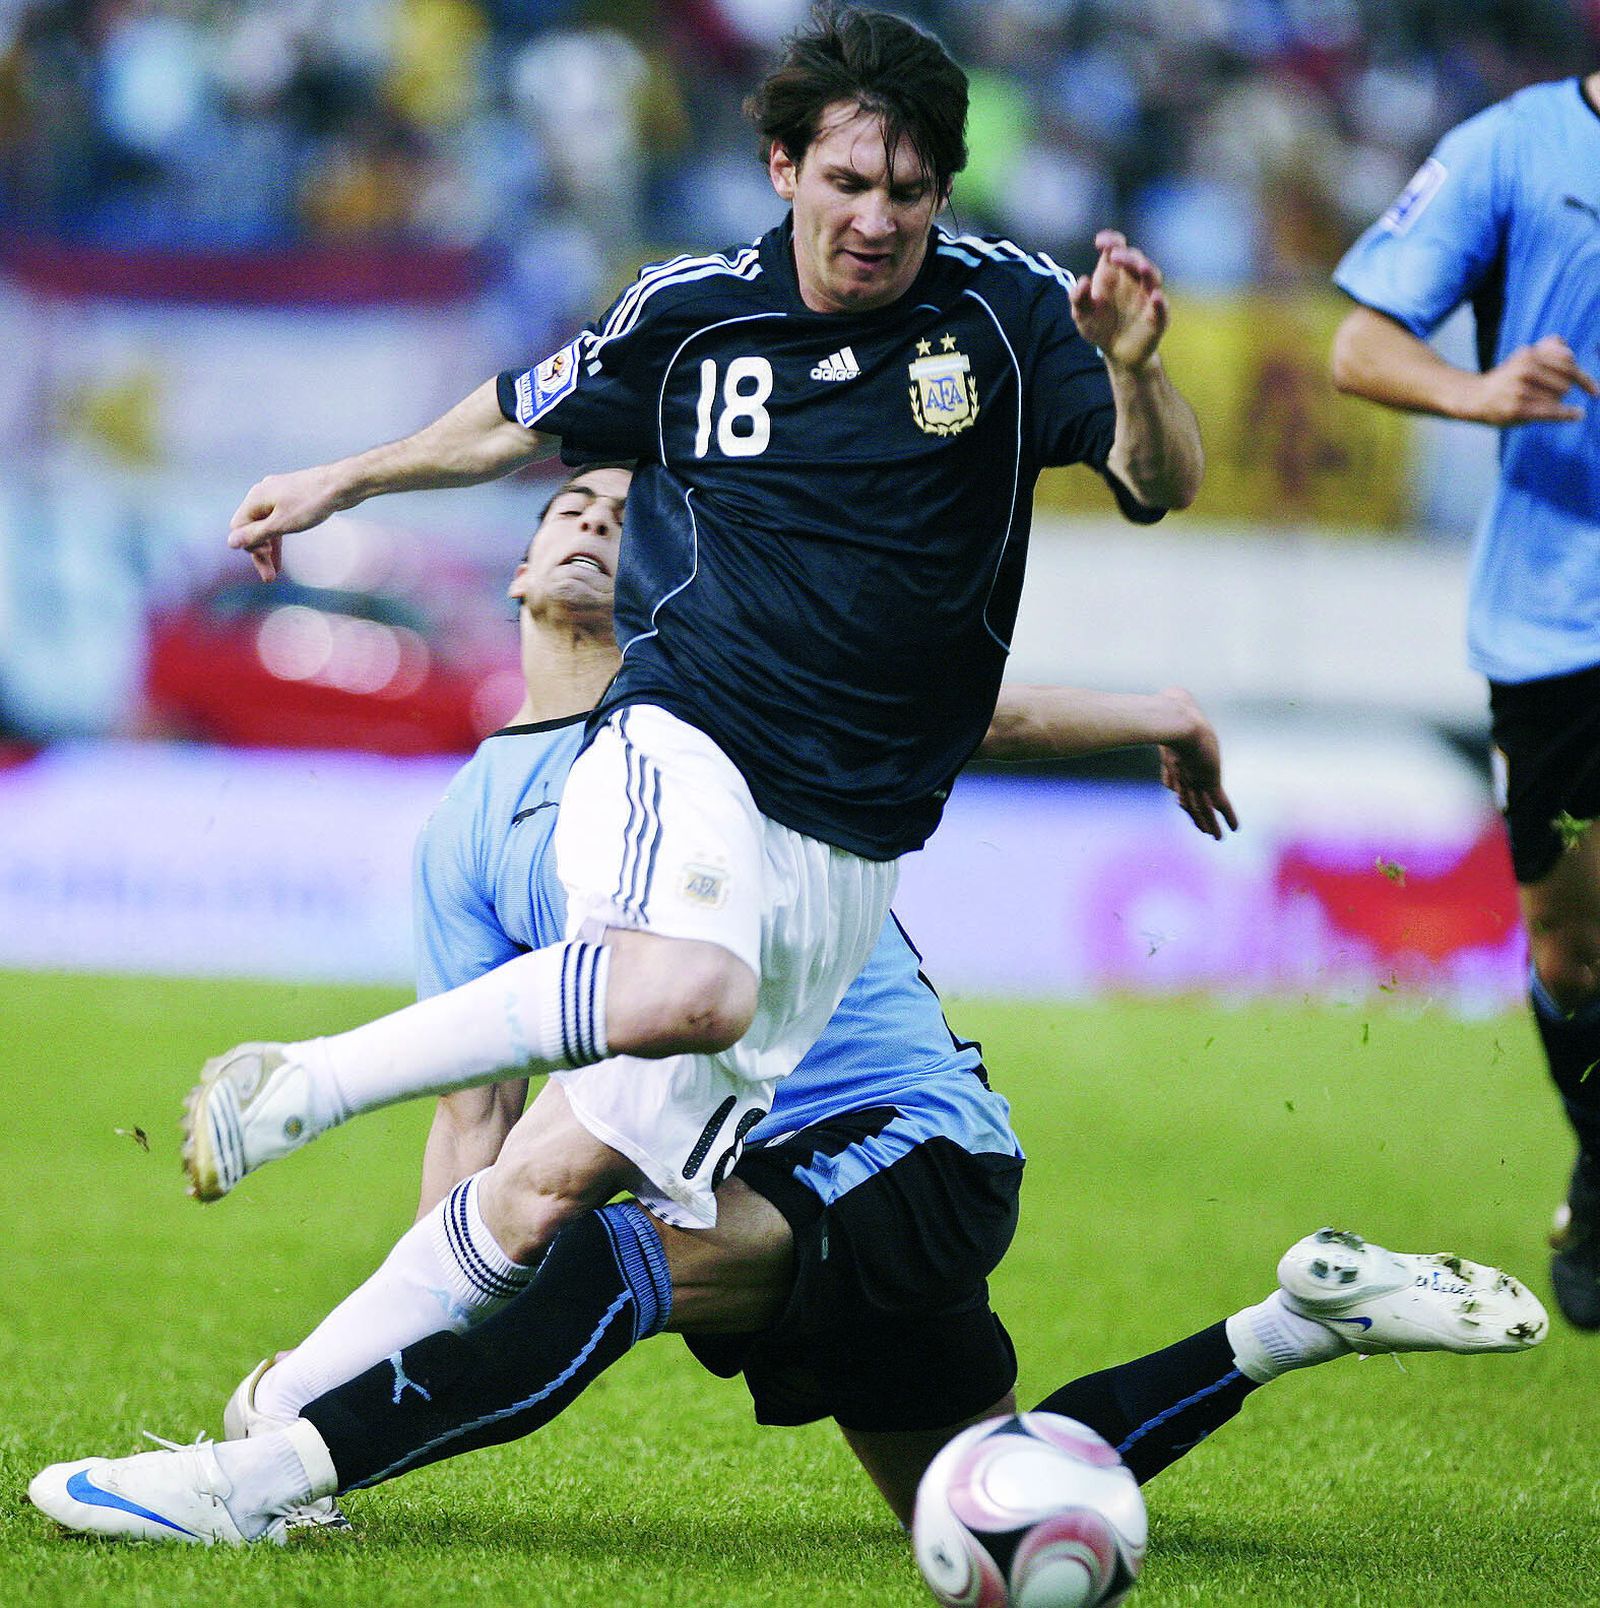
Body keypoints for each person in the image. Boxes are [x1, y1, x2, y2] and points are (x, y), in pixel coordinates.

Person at [27, 470, 1547, 1545]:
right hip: (740, 1157)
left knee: (605, 1245)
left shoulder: (718, 731)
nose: (587, 521)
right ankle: (1295, 1318)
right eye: (569, 504)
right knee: (994, 1497)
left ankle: (264, 1480)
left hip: (905, 1146)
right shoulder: (466, 826)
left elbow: (955, 709)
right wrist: (398, 1335)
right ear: (510, 569)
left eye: (627, 518)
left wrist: (1150, 709)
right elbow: (474, 1131)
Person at [180, 2, 1201, 1394]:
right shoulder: (691, 316)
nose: (876, 219)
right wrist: (342, 480)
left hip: (846, 846)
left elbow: (1158, 484)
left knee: (549, 1184)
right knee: (691, 986)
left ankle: (283, 1413)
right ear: (784, 170)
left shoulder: (1011, 316)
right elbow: (515, 416)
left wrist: (1136, 376)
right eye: (847, 182)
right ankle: (311, 1080)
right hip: (691, 744)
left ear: (942, 193)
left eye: (908, 191)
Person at [1329, 70, 1600, 1327]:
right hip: (1556, 618)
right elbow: (1360, 341)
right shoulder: (1512, 147)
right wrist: (1473, 391)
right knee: (1572, 947)